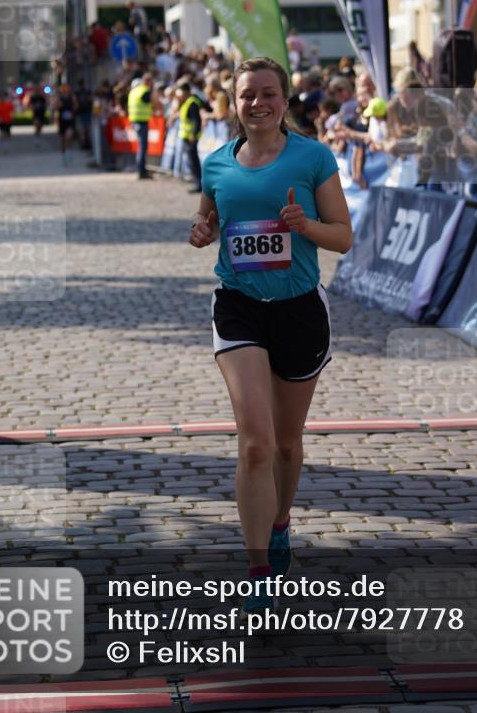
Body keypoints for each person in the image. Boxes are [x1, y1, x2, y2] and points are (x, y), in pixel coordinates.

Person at [189, 57, 352, 615]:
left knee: (285, 442)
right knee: (255, 442)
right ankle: (258, 569)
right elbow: (210, 222)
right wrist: (202, 230)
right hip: (238, 308)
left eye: (267, 94)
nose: (257, 103)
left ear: (285, 100)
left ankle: (280, 522)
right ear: (232, 104)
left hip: (300, 311)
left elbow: (344, 238)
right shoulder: (214, 163)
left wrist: (306, 228)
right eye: (245, 96)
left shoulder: (313, 157)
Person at [127, 71, 161, 180]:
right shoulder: (145, 91)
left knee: (141, 147)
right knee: (142, 148)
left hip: (135, 121)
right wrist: (153, 90)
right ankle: (142, 172)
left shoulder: (134, 91)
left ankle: (142, 170)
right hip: (141, 122)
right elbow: (156, 103)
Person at [176, 80, 204, 193]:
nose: (179, 94)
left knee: (193, 161)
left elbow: (197, 120)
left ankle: (199, 184)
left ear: (185, 91)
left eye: (180, 92)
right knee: (191, 161)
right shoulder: (187, 102)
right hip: (186, 137)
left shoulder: (192, 103)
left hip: (190, 138)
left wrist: (193, 134)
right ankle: (197, 183)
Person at [56, 83, 77, 163]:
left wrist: (72, 110)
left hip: (70, 121)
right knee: (63, 140)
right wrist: (58, 105)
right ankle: (64, 155)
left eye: (66, 88)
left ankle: (69, 153)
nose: (65, 90)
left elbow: (76, 107)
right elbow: (55, 107)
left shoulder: (72, 97)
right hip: (62, 121)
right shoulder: (59, 98)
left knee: (69, 137)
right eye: (63, 89)